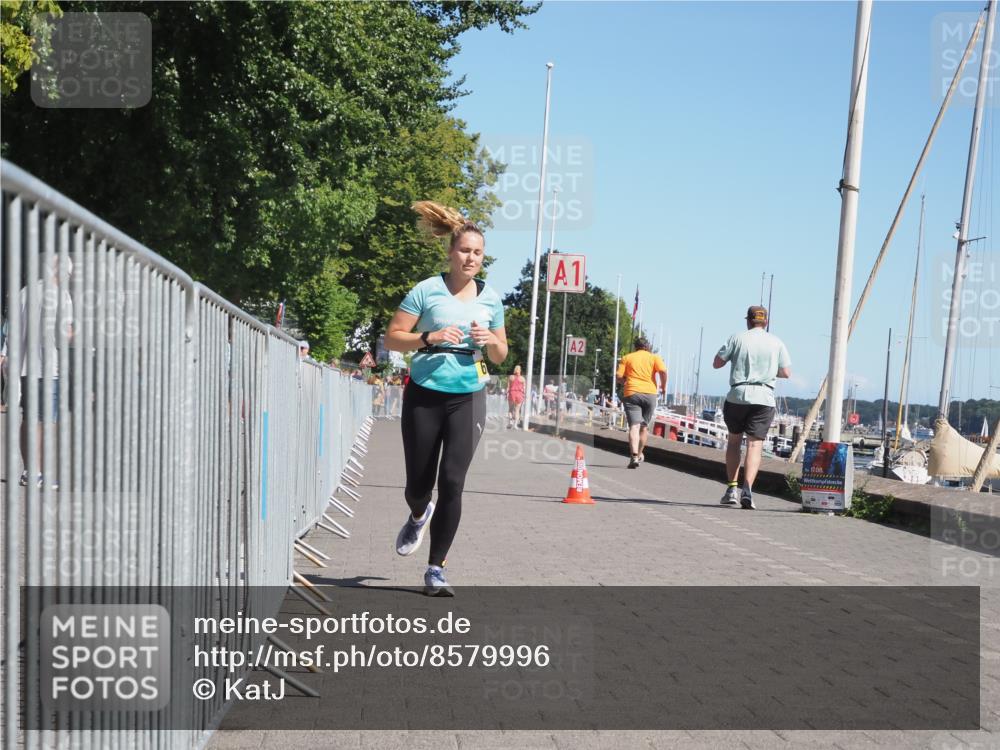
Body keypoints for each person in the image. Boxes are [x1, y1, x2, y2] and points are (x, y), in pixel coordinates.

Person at [384, 200, 508, 596]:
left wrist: (491, 341)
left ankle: (436, 568)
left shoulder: (492, 298)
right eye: (465, 250)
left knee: (452, 481)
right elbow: (391, 337)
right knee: (418, 485)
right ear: (450, 252)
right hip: (424, 393)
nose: (471, 258)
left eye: (478, 253)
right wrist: (429, 337)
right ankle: (419, 514)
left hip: (469, 395)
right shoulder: (426, 291)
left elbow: (501, 355)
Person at [712, 305, 792, 509]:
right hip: (764, 397)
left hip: (738, 395)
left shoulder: (737, 338)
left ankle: (731, 489)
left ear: (748, 321)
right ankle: (747, 489)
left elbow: (717, 363)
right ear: (765, 322)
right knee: (755, 445)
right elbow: (786, 372)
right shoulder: (776, 342)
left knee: (734, 442)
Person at [616, 337, 667, 468]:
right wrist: (663, 387)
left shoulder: (627, 358)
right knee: (644, 427)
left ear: (635, 347)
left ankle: (633, 456)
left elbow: (618, 377)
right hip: (650, 394)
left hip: (632, 393)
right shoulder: (654, 358)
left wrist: (626, 382)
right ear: (648, 347)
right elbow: (663, 371)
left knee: (634, 426)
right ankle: (638, 455)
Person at [506, 365, 526, 429]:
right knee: (517, 410)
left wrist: (506, 394)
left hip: (512, 393)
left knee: (510, 409)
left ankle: (510, 422)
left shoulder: (511, 377)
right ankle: (515, 425)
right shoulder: (523, 378)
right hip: (519, 394)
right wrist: (524, 396)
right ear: (520, 370)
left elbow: (508, 387)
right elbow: (524, 389)